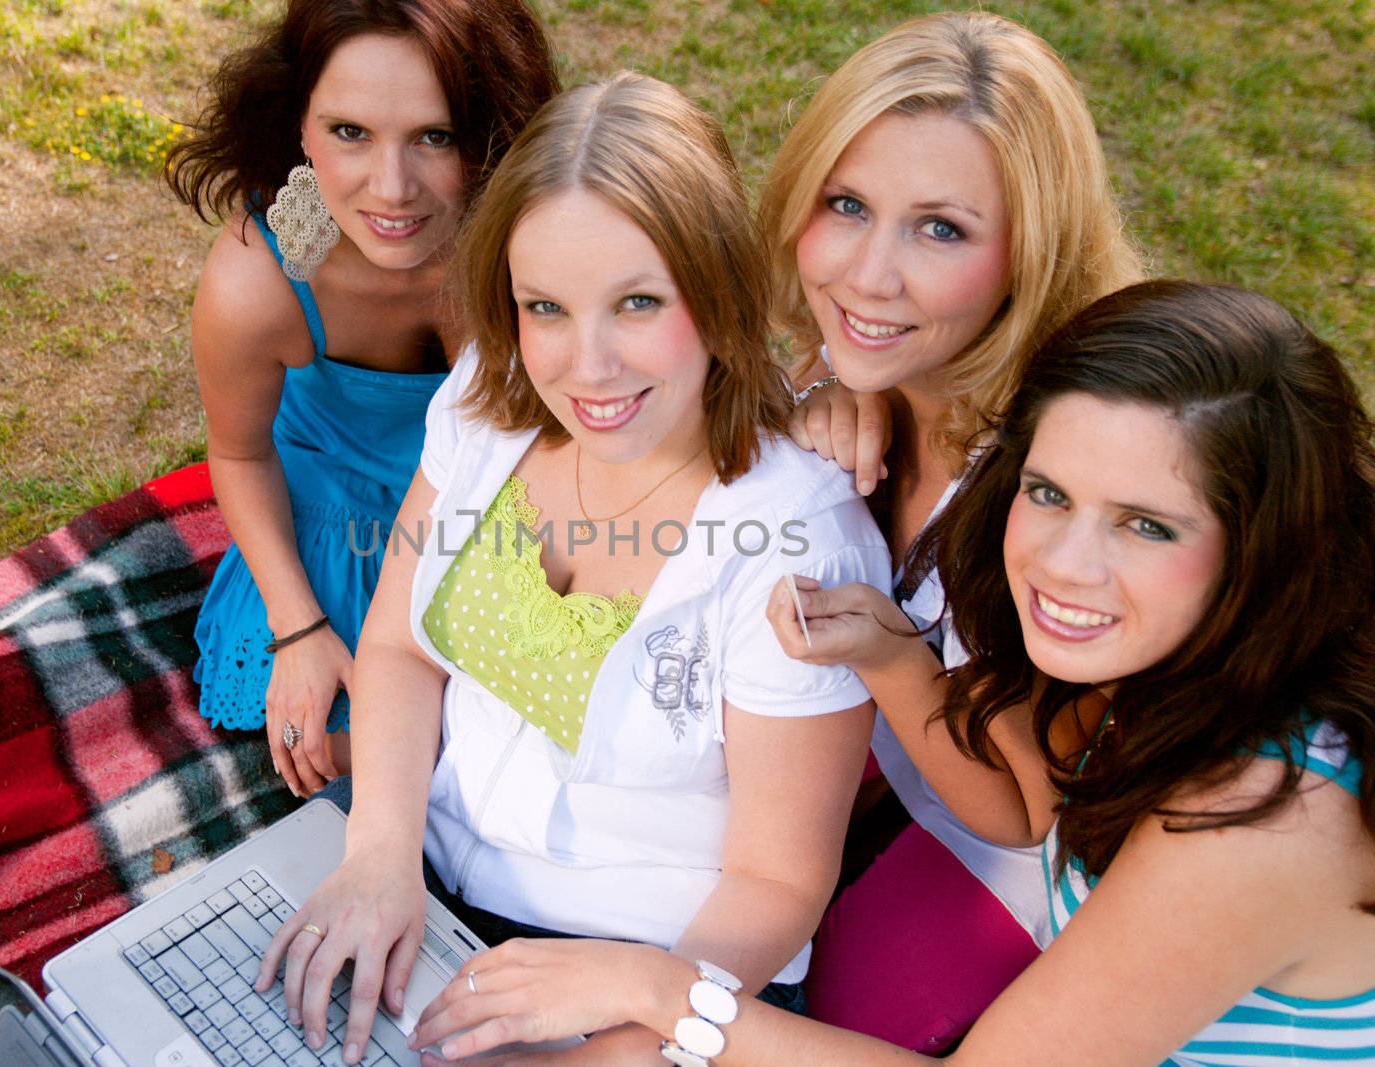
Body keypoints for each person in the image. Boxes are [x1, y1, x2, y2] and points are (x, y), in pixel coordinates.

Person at [409, 279, 1375, 1067]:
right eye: (1049, 492)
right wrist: (894, 656)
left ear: (1266, 543)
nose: (1064, 564)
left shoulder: (1264, 812)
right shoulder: (1164, 660)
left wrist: (650, 988)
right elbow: (1032, 811)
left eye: (1147, 523)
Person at [254, 73, 892, 1066]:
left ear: (717, 295)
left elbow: (775, 883)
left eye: (637, 303)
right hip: (426, 892)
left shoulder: (797, 537)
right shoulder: (484, 399)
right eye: (545, 307)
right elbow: (396, 645)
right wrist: (379, 850)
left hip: (652, 976)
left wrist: (612, 1054)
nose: (585, 368)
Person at [760, 11, 1142, 1048]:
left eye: (941, 229)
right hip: (896, 756)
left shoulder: (1057, 479)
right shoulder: (863, 369)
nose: (867, 275)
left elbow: (1026, 812)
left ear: (1030, 250)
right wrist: (830, 396)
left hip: (1033, 845)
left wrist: (890, 655)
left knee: (839, 1013)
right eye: (845, 205)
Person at [165, 0, 559, 798]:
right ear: (297, 126)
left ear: (489, 133)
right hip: (328, 551)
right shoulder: (261, 277)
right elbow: (240, 452)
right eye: (350, 132)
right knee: (348, 749)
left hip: (491, 522)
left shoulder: (528, 238)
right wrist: (298, 626)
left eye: (435, 136)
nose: (393, 188)